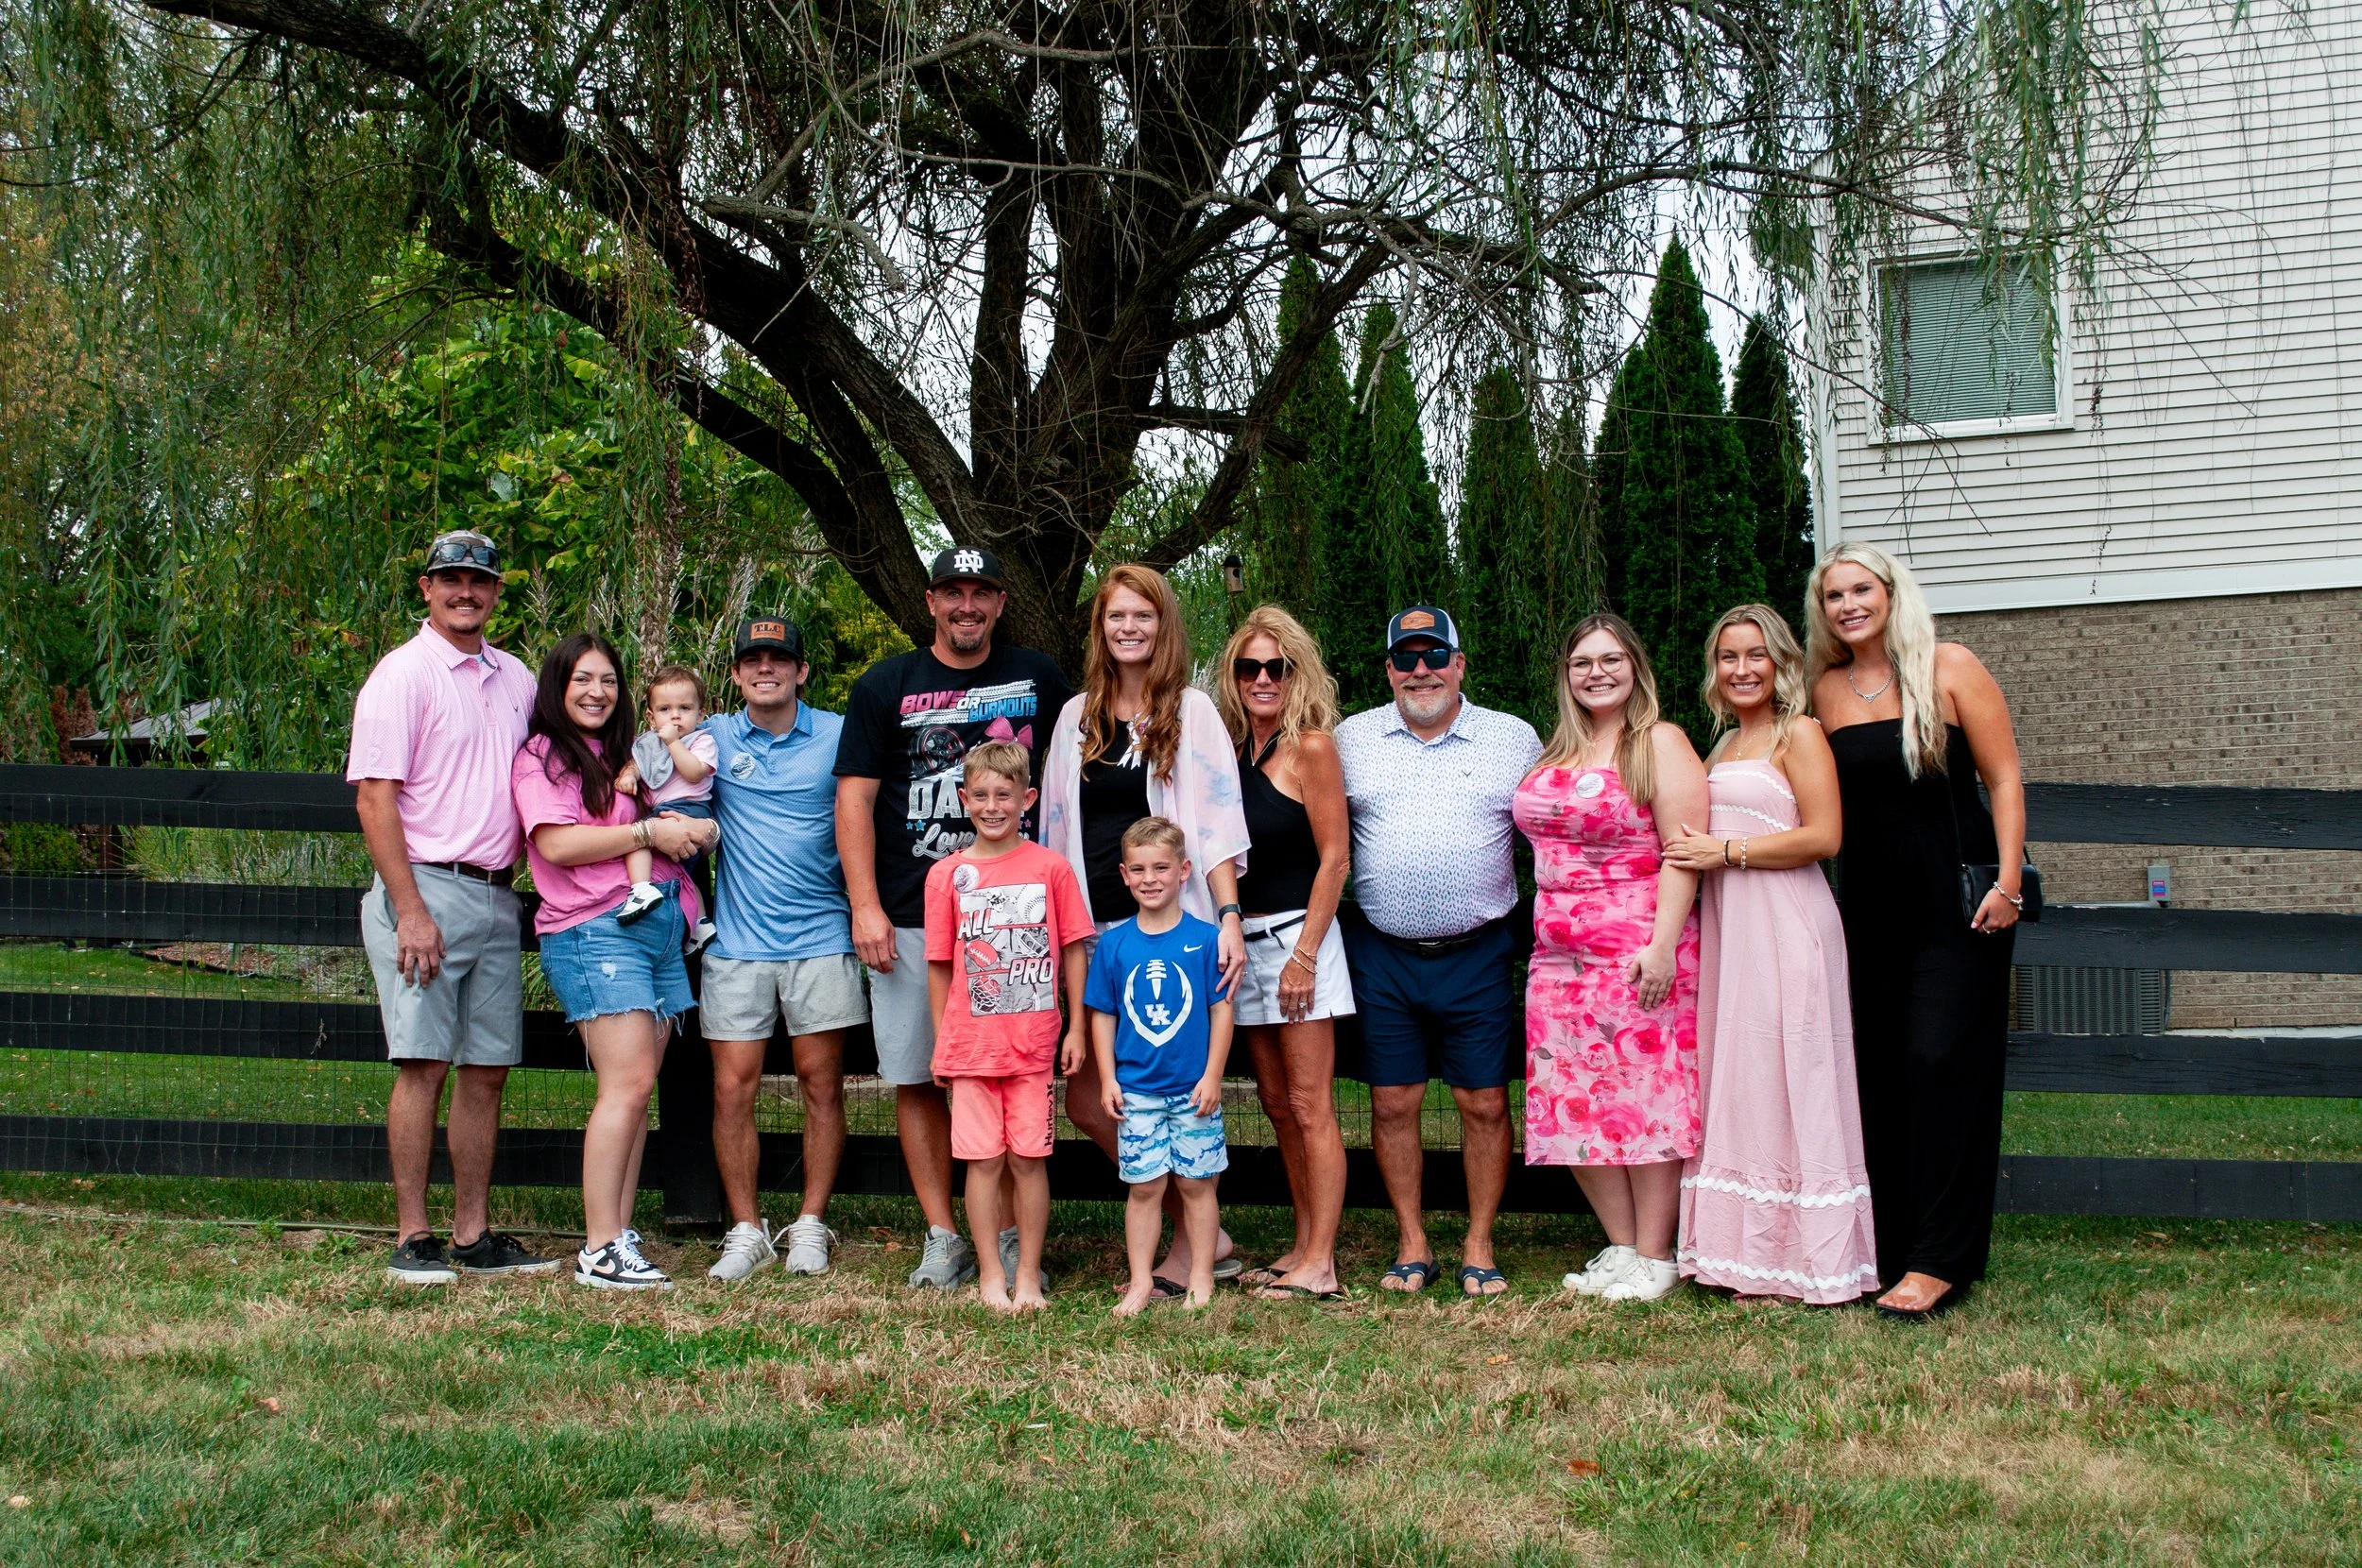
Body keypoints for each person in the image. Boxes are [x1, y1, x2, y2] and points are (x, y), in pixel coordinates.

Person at [834, 546, 1072, 1291]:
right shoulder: (887, 684)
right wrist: (866, 904)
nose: (966, 606)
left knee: (1008, 1078)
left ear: (1000, 603)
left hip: (1019, 922)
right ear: (931, 602)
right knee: (918, 1074)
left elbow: (1066, 786)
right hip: (914, 917)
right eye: (952, 593)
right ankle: (944, 1233)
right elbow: (855, 801)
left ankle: (1004, 1239)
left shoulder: (1041, 678)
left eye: (981, 593)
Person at [1807, 542, 2027, 1321]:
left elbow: (2002, 778)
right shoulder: (1825, 689)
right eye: (1834, 595)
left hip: (1959, 904)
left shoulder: (1951, 666)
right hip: (1867, 909)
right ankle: (1893, 1246)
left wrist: (2007, 881)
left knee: (1942, 1063)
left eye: (1861, 589)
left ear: (1892, 593)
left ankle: (1944, 1258)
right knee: (1879, 1072)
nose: (1848, 605)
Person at [348, 529, 556, 1285]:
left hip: (499, 895)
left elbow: (555, 768)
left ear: (497, 592)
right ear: (427, 589)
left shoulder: (516, 679)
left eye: (480, 581)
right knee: (423, 1065)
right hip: (427, 889)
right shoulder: (402, 677)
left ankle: (474, 1235)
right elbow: (375, 798)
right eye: (452, 580)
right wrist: (408, 910)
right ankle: (413, 1236)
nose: (466, 592)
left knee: (486, 1071)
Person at [1040, 563, 1250, 1288]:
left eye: (1143, 615)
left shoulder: (1190, 711)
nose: (1128, 628)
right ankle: (1201, 1226)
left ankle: (1197, 1237)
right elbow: (1053, 832)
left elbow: (1219, 825)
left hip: (1172, 931)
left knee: (1178, 1083)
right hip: (1095, 935)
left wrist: (1225, 916)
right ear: (1100, 629)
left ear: (1164, 626)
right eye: (1115, 616)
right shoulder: (1076, 718)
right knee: (1092, 1097)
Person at [1662, 606, 1876, 1304]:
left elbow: (1827, 836)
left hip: (1788, 923)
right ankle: (1739, 1255)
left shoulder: (1800, 733)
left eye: (1756, 655)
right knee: (1745, 1073)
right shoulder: (1722, 745)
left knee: (1796, 1068)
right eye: (1728, 657)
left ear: (1781, 662)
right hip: (1732, 930)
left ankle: (1811, 1257)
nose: (1742, 669)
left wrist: (1726, 852)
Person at [1335, 605, 1540, 1297]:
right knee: (1393, 1102)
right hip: (1383, 952)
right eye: (1405, 659)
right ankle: (1412, 1240)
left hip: (1478, 950)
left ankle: (1479, 1242)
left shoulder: (1513, 738)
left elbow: (1556, 831)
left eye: (1433, 656)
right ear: (1389, 670)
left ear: (1459, 664)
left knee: (1483, 1101)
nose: (1419, 671)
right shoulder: (1351, 739)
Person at [1517, 612, 1708, 1304]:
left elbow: (1684, 851)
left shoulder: (1659, 742)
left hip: (1639, 955)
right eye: (1582, 663)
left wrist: (1661, 948)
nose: (1596, 673)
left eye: (1611, 660)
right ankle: (1622, 1247)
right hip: (1557, 960)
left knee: (1645, 1095)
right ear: (1566, 676)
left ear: (1636, 668)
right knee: (1574, 1098)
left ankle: (1657, 1255)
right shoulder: (1554, 750)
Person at [512, 634, 712, 1289]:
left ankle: (618, 1235)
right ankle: (598, 1248)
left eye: (608, 680)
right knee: (623, 1087)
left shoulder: (624, 752)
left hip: (651, 932)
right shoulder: (544, 757)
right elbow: (558, 843)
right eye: (582, 680)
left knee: (636, 1090)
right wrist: (648, 833)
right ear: (557, 686)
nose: (597, 691)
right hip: (593, 932)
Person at [698, 616, 869, 1283]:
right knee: (731, 1089)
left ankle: (810, 1223)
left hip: (822, 938)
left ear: (801, 671)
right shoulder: (710, 738)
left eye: (779, 659)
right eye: (752, 660)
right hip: (738, 944)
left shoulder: (837, 734)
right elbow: (644, 764)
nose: (765, 669)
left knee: (821, 1085)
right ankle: (745, 1230)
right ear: (738, 674)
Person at [923, 742, 1094, 1312]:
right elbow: (941, 966)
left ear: (1028, 798)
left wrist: (1074, 1029)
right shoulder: (947, 875)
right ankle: (991, 1274)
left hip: (1034, 1046)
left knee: (1028, 1160)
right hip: (971, 1049)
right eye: (981, 796)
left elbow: (1074, 948)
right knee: (983, 1160)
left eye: (1005, 795)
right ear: (963, 799)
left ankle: (1028, 1273)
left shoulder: (1051, 868)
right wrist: (942, 1044)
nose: (993, 807)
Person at [1213, 606, 1352, 1302]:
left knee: (1309, 1103)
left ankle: (1321, 1263)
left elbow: (1335, 860)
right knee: (1273, 1101)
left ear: (1298, 672)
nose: (1263, 679)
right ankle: (1301, 1243)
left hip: (1301, 942)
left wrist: (1304, 955)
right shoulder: (1232, 750)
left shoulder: (1313, 748)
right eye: (1249, 667)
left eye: (1277, 667)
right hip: (1245, 945)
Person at [1087, 818, 1236, 1315]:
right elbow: (1103, 1015)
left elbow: (1220, 1011)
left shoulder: (1205, 938)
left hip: (1193, 1091)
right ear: (1125, 875)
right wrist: (1108, 1077)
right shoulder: (1114, 945)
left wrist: (1213, 1074)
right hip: (1137, 1092)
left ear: (1184, 871)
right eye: (1140, 869)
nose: (1150, 879)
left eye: (1161, 868)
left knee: (1196, 1184)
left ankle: (1200, 1275)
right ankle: (1139, 1282)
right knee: (1145, 1187)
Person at [617, 664, 719, 948]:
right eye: (665, 709)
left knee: (638, 838)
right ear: (651, 717)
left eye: (684, 708)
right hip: (668, 810)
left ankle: (641, 889)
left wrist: (674, 743)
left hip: (690, 810)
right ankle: (699, 923)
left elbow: (694, 772)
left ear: (700, 714)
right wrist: (629, 774)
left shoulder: (701, 740)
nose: (674, 715)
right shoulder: (651, 743)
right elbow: (638, 763)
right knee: (683, 876)